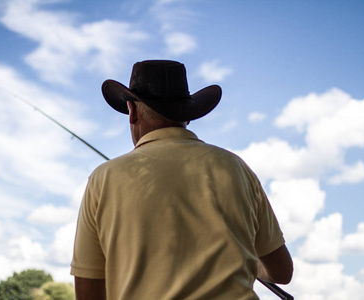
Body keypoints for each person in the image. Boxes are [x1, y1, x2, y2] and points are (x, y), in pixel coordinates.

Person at [71, 60, 293, 300]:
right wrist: (250, 264)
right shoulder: (237, 168)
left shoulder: (103, 179)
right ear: (187, 116)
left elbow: (87, 293)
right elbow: (282, 271)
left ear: (132, 112)